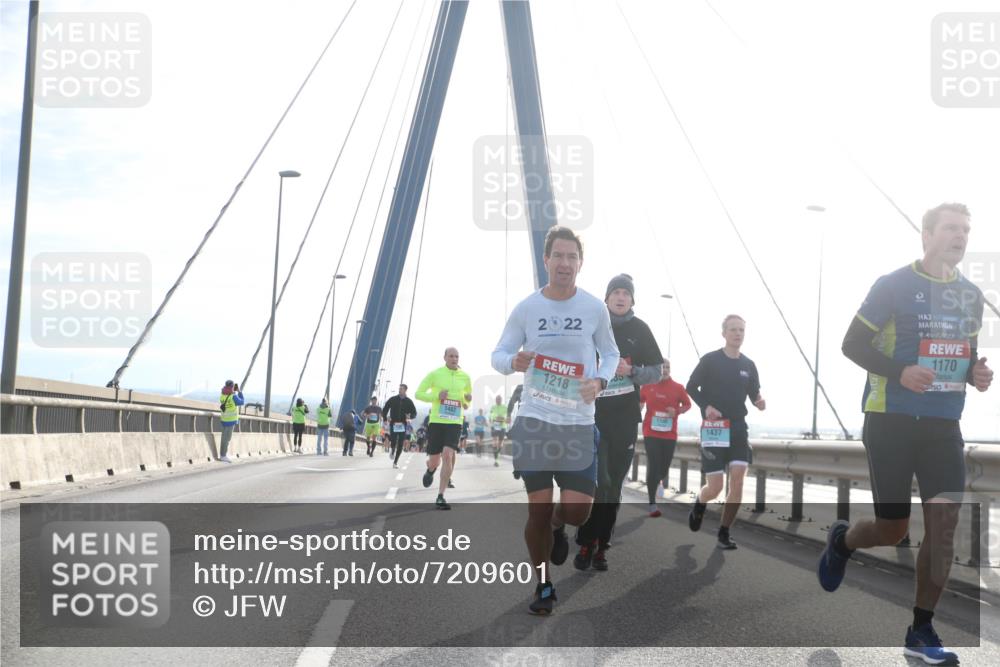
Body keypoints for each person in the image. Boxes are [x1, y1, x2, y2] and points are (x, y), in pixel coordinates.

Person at [818, 202, 992, 665]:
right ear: (926, 234)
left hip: (943, 425)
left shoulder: (971, 295)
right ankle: (842, 541)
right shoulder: (893, 285)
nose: (960, 236)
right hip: (890, 419)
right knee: (892, 529)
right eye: (951, 228)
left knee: (944, 527)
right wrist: (900, 372)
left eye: (966, 230)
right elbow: (851, 344)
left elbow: (965, 355)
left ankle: (921, 629)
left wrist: (976, 374)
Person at [491, 226, 619, 614]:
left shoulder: (594, 308)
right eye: (558, 256)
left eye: (572, 257)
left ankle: (560, 525)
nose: (565, 263)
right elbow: (499, 353)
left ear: (580, 263)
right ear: (546, 260)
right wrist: (512, 361)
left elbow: (610, 354)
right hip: (536, 420)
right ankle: (543, 585)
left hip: (578, 423)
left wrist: (600, 380)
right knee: (538, 510)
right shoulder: (527, 308)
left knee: (579, 511)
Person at [574, 274, 663, 572]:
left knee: (613, 487)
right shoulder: (592, 326)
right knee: (600, 483)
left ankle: (602, 546)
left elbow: (656, 371)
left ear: (632, 300)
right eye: (616, 292)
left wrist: (631, 371)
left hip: (625, 419)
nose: (621, 297)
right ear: (607, 298)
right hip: (594, 417)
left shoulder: (641, 330)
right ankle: (586, 542)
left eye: (626, 293)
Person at [686, 315, 765, 550]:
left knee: (738, 481)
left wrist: (759, 400)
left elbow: (754, 392)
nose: (738, 333)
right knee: (716, 487)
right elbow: (691, 387)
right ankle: (701, 502)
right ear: (724, 333)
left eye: (741, 330)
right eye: (733, 329)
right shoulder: (710, 360)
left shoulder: (749, 365)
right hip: (715, 428)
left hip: (738, 427)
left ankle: (724, 532)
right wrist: (706, 406)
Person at [415, 347, 473, 510]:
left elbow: (466, 401)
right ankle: (430, 469)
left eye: (457, 356)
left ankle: (440, 495)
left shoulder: (465, 377)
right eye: (451, 356)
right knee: (435, 460)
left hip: (455, 423)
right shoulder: (435, 374)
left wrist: (467, 400)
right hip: (437, 422)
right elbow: (418, 393)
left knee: (448, 455)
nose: (454, 359)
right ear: (445, 357)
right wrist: (436, 396)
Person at [639, 358, 691, 516]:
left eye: (667, 367)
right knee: (654, 465)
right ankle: (652, 503)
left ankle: (659, 480)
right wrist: (636, 410)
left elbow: (687, 404)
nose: (665, 370)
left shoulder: (678, 388)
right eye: (662, 367)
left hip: (669, 434)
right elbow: (640, 401)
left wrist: (677, 411)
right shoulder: (647, 386)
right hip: (650, 432)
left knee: (663, 468)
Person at [383, 384, 417, 468]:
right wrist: (385, 418)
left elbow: (414, 413)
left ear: (405, 390)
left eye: (401, 389)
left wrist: (410, 417)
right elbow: (385, 408)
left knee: (401, 444)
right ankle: (392, 450)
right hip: (394, 423)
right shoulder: (393, 399)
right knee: (393, 440)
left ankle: (395, 462)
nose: (400, 390)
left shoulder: (409, 401)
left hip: (403, 424)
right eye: (399, 388)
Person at [218, 380, 244, 463]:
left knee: (224, 438)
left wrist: (233, 392)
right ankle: (223, 456)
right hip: (230, 420)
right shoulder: (233, 396)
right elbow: (241, 402)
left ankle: (222, 455)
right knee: (227, 439)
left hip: (224, 419)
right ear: (232, 387)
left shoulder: (222, 395)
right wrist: (239, 392)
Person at [489, 395, 508, 467]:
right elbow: (490, 416)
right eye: (497, 399)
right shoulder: (493, 407)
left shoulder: (505, 407)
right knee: (495, 442)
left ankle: (497, 455)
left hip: (502, 427)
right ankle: (496, 460)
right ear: (495, 400)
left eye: (499, 399)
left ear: (501, 400)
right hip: (495, 426)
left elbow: (506, 417)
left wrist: (499, 418)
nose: (498, 400)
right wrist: (494, 418)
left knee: (500, 444)